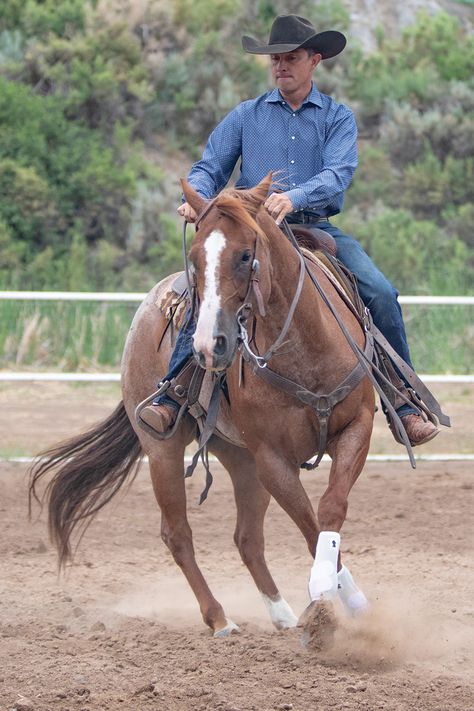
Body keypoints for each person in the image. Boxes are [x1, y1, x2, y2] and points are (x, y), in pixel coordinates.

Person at [140, 13, 438, 446]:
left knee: (380, 291)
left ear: (314, 60)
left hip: (317, 229)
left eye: (291, 57)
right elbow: (209, 167)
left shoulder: (337, 117)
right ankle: (175, 391)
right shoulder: (247, 116)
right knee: (208, 289)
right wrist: (198, 199)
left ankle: (403, 403)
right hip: (253, 233)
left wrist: (294, 197)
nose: (281, 65)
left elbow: (339, 174)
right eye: (276, 59)